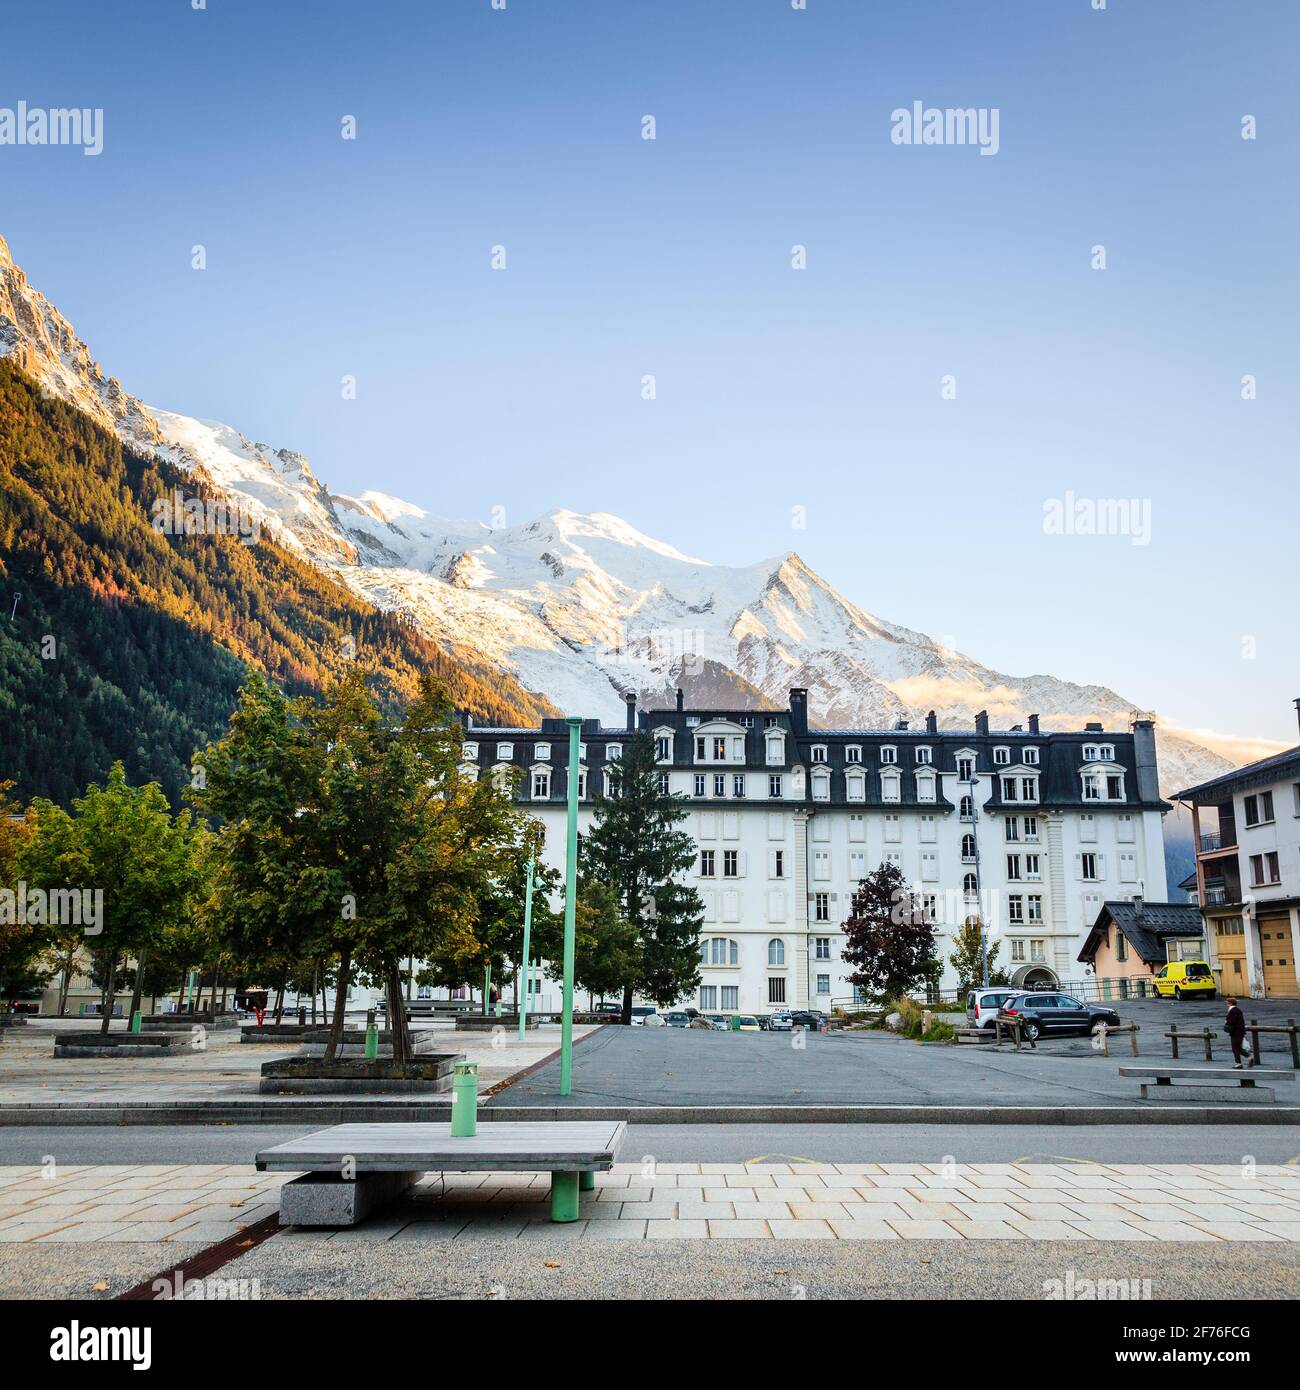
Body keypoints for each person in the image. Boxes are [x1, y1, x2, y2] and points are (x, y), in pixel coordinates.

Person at [1224, 997, 1248, 1068]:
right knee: (1238, 1048)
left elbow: (1233, 1021)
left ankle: (1238, 1063)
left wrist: (1226, 1022)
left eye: (1227, 1002)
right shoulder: (1237, 1010)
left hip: (1236, 1032)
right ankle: (1249, 1057)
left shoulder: (1233, 1010)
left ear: (1230, 1003)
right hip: (1240, 1031)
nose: (1226, 1004)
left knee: (1235, 1048)